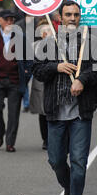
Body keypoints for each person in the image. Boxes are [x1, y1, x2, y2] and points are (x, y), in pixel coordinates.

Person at [32, 0, 97, 195]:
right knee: (55, 161)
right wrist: (56, 67)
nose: (72, 18)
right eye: (68, 15)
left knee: (79, 162)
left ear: (80, 18)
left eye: (76, 15)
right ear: (60, 18)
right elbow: (37, 71)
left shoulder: (91, 42)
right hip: (56, 113)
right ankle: (70, 188)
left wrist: (81, 80)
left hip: (81, 113)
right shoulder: (48, 43)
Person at [0, 9, 32, 153]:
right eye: (7, 19)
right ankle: (0, 131)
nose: (10, 22)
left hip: (15, 80)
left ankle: (10, 143)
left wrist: (26, 75)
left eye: (12, 20)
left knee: (13, 113)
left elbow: (29, 59)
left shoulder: (21, 37)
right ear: (0, 20)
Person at [29, 19, 53, 150]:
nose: (46, 33)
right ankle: (45, 139)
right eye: (44, 31)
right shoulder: (34, 46)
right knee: (42, 112)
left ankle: (53, 137)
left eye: (49, 30)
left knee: (52, 111)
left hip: (53, 81)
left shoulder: (57, 44)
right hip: (39, 83)